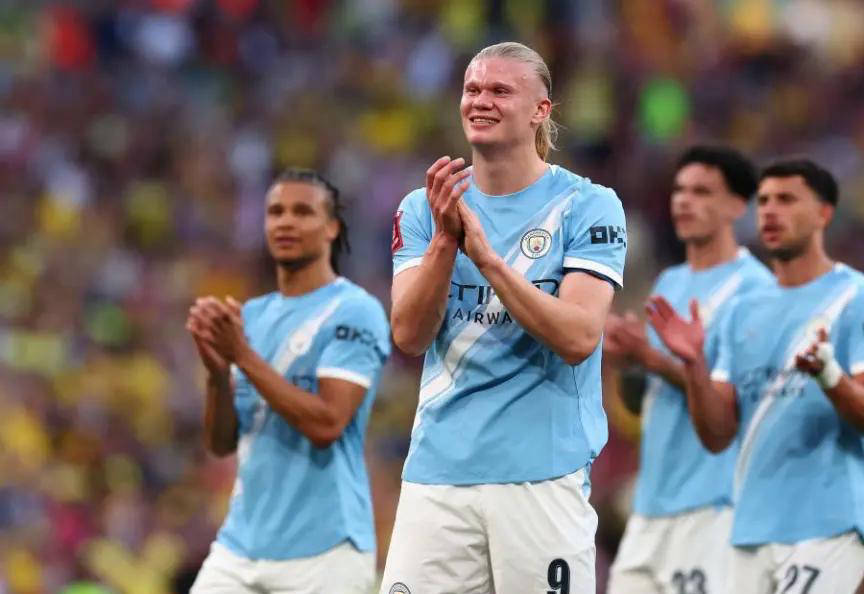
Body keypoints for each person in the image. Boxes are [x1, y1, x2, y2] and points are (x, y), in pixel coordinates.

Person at [383, 41, 627, 594]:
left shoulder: (588, 205)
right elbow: (409, 335)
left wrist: (489, 260)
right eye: (472, 89)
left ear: (541, 110)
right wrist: (445, 241)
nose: (481, 101)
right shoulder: (423, 207)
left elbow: (579, 336)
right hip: (438, 473)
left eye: (499, 90)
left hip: (541, 476)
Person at [648, 159, 864, 593]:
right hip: (750, 528)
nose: (769, 211)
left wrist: (829, 374)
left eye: (786, 200)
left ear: (824, 213)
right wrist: (694, 365)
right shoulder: (742, 312)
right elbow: (717, 435)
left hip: (827, 524)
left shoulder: (860, 299)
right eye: (763, 201)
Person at [185, 168, 390, 594]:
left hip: (325, 551)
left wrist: (242, 355)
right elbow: (221, 443)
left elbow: (327, 423)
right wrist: (217, 375)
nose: (286, 222)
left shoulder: (355, 311)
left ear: (332, 227)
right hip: (241, 546)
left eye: (302, 212)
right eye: (275, 212)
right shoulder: (251, 316)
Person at [604, 146, 774, 594]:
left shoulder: (756, 290)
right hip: (651, 502)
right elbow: (642, 403)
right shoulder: (669, 283)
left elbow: (737, 405)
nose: (683, 201)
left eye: (701, 192)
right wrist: (628, 363)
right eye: (679, 190)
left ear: (736, 206)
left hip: (715, 504)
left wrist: (652, 359)